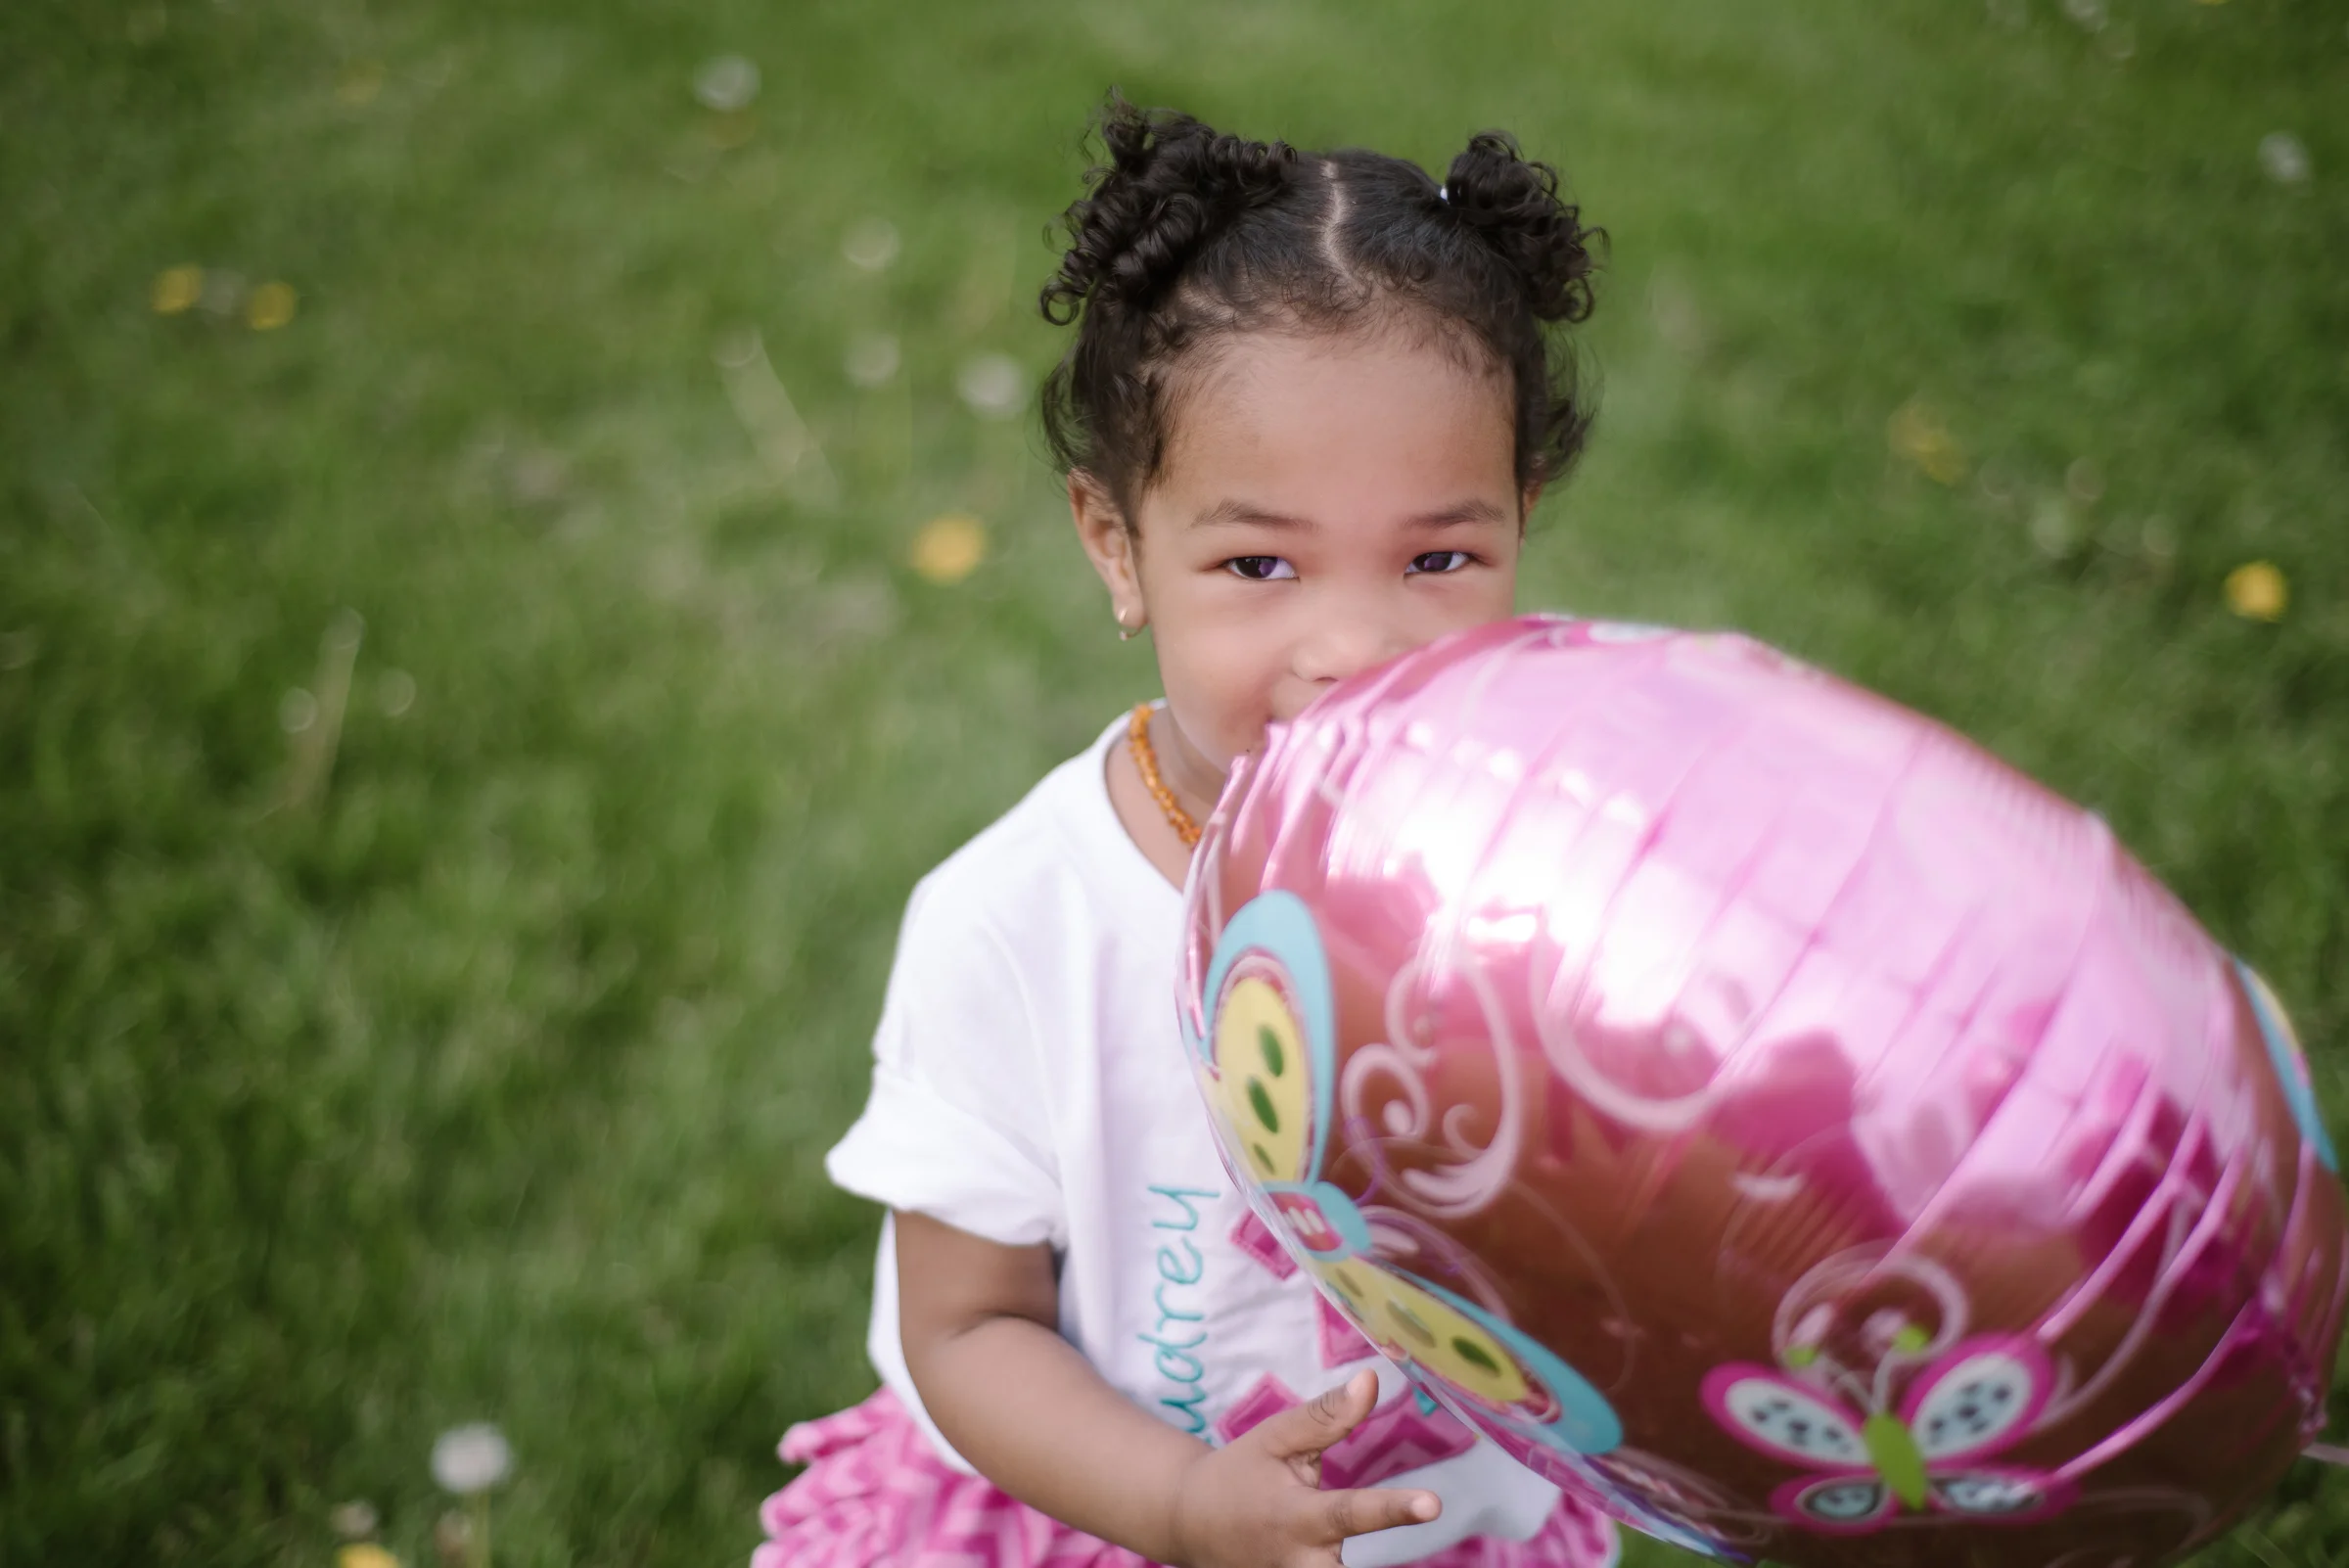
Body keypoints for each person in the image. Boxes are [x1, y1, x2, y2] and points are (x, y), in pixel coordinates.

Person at [755, 98, 1616, 1568]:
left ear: (1524, 515)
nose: (1352, 644)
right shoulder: (1018, 921)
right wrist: (1178, 1503)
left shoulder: (1575, 883)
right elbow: (964, 1321)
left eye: (1439, 555)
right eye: (1259, 560)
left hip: (1452, 1525)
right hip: (1104, 1517)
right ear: (1117, 543)